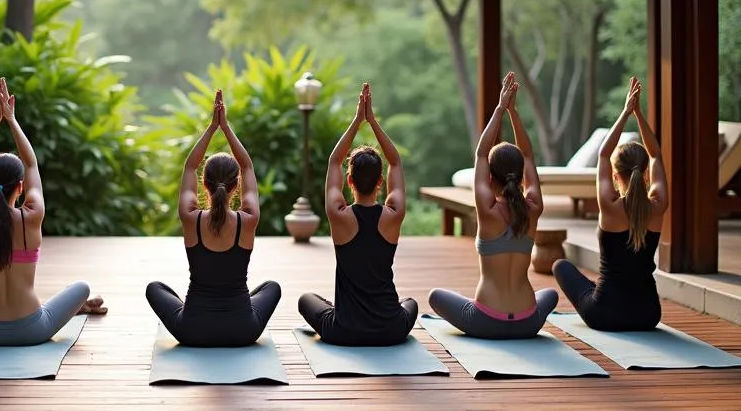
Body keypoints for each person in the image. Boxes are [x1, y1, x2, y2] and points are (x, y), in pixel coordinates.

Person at [0, 78, 104, 345]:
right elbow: (31, 164)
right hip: (32, 330)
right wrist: (11, 119)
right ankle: (75, 307)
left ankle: (71, 308)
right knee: (82, 288)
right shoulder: (31, 216)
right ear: (20, 186)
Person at [145, 89, 281, 346]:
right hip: (243, 330)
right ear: (235, 186)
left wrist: (212, 127)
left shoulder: (190, 218)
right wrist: (226, 128)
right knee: (271, 286)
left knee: (155, 287)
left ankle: (206, 313)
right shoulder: (248, 219)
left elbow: (189, 166)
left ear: (204, 185)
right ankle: (228, 312)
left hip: (192, 331)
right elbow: (248, 166)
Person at [428, 71, 558, 338]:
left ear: (490, 177)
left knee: (436, 296)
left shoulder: (488, 211)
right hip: (527, 322)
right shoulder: (534, 208)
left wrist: (500, 108)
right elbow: (529, 155)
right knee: (550, 294)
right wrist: (514, 112)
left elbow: (481, 153)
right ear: (521, 176)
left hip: (486, 321)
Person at [299, 83, 417, 345]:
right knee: (410, 303)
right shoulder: (394, 213)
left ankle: (340, 309)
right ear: (380, 183)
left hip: (344, 330)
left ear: (349, 181)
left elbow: (333, 161)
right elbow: (396, 161)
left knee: (306, 300)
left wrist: (357, 121)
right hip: (390, 330)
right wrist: (372, 122)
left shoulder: (338, 214)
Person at [552, 77, 667, 331]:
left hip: (605, 314)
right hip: (648, 314)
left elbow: (604, 153)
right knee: (600, 284)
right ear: (646, 174)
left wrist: (627, 112)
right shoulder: (658, 204)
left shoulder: (610, 206)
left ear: (616, 176)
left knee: (561, 266)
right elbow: (656, 154)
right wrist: (638, 114)